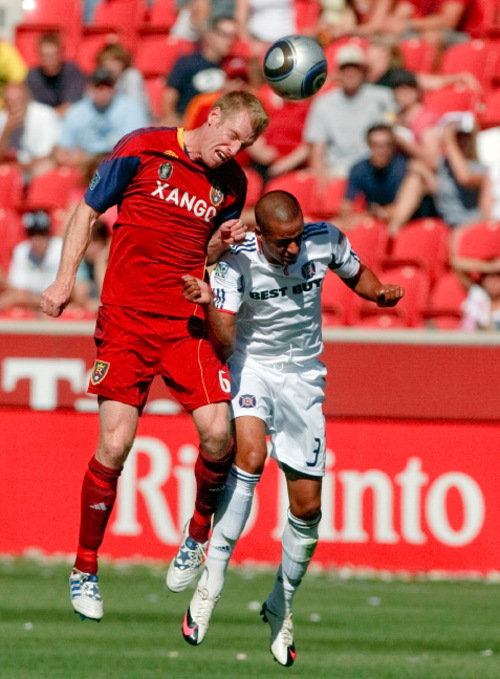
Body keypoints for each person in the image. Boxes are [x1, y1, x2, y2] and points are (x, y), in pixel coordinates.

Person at [40, 90, 269, 622]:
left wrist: (222, 244)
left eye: (246, 144)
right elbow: (88, 208)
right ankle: (85, 568)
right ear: (211, 118)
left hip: (185, 323)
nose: (234, 149)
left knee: (219, 434)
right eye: (232, 136)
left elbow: (208, 252)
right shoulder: (143, 148)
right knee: (115, 445)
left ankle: (195, 535)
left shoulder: (232, 184)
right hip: (125, 319)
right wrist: (64, 278)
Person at [177, 191, 404, 665]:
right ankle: (211, 583)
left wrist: (379, 292)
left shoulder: (325, 241)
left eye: (297, 239)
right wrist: (212, 306)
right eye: (283, 243)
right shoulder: (234, 264)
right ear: (259, 235)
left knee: (308, 508)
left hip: (304, 376)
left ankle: (281, 604)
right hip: (253, 365)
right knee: (251, 458)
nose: (294, 250)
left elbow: (355, 271)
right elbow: (223, 337)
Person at [303, 43, 396, 183]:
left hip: (374, 171)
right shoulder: (323, 103)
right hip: (336, 172)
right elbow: (317, 149)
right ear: (338, 72)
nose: (350, 73)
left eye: (355, 68)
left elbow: (391, 135)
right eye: (345, 68)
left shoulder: (382, 97)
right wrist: (322, 183)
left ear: (363, 71)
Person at [339, 123, 437, 232]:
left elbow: (400, 208)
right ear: (368, 145)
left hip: (405, 222)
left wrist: (376, 213)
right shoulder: (359, 169)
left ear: (393, 146)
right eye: (376, 145)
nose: (382, 150)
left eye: (387, 145)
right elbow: (346, 205)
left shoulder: (404, 167)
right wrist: (351, 217)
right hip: (374, 218)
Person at [55, 67, 149, 172]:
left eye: (107, 85)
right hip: (84, 167)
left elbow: (136, 150)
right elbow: (63, 150)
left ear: (114, 88)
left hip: (119, 166)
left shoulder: (131, 109)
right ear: (89, 88)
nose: (103, 90)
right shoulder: (77, 111)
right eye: (98, 86)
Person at [0, 211, 87, 313]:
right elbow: (16, 293)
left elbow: (78, 294)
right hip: (33, 310)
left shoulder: (62, 249)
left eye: (42, 234)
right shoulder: (22, 251)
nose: (37, 239)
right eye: (32, 234)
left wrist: (25, 299)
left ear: (49, 234)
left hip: (62, 310)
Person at [162, 16, 238, 126]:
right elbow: (169, 97)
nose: (230, 41)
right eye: (225, 35)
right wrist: (172, 120)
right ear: (210, 35)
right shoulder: (187, 63)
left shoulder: (235, 66)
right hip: (189, 125)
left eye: (233, 37)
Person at [0, 82, 61, 179]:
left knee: (43, 168)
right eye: (9, 102)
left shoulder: (45, 115)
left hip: (35, 168)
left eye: (18, 102)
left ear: (27, 100)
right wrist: (6, 131)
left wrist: (19, 167)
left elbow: (48, 155)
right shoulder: (3, 119)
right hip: (11, 168)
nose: (14, 107)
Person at [26, 32, 86, 117]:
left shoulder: (73, 72)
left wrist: (47, 117)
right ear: (38, 55)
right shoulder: (33, 76)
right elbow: (32, 110)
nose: (49, 59)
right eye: (45, 55)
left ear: (61, 54)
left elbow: (71, 108)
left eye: (53, 55)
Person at [95, 42, 151, 121]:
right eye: (105, 63)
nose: (109, 66)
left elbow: (135, 108)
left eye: (114, 62)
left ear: (123, 62)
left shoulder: (132, 76)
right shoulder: (102, 81)